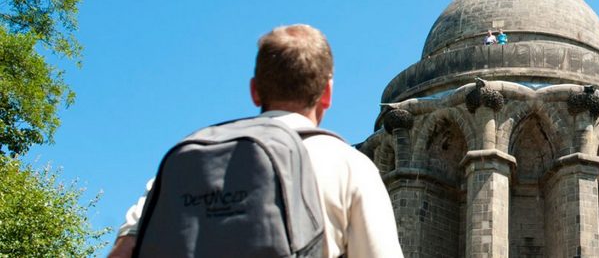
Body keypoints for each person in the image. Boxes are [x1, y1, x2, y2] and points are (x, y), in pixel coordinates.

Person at [107, 24, 404, 258]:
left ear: (255, 91)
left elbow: (123, 252)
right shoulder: (348, 166)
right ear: (327, 93)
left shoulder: (183, 165)